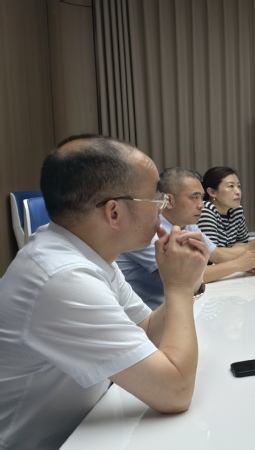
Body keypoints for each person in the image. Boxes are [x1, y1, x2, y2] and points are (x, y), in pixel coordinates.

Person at [0, 135, 209, 448]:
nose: (162, 210)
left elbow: (146, 330)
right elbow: (175, 392)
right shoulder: (62, 277)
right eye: (156, 200)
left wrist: (187, 280)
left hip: (87, 429)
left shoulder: (86, 252)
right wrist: (178, 287)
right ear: (114, 212)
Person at [118, 168, 255, 309]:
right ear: (168, 200)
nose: (201, 205)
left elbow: (217, 255)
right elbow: (185, 278)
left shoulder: (188, 224)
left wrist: (251, 259)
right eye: (194, 197)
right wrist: (238, 264)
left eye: (201, 197)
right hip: (150, 315)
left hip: (183, 304)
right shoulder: (147, 231)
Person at [198, 166, 255, 251]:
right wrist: (244, 248)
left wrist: (231, 249)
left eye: (238, 186)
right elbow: (211, 254)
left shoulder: (236, 211)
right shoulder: (205, 211)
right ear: (212, 192)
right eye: (231, 186)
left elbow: (243, 242)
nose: (238, 192)